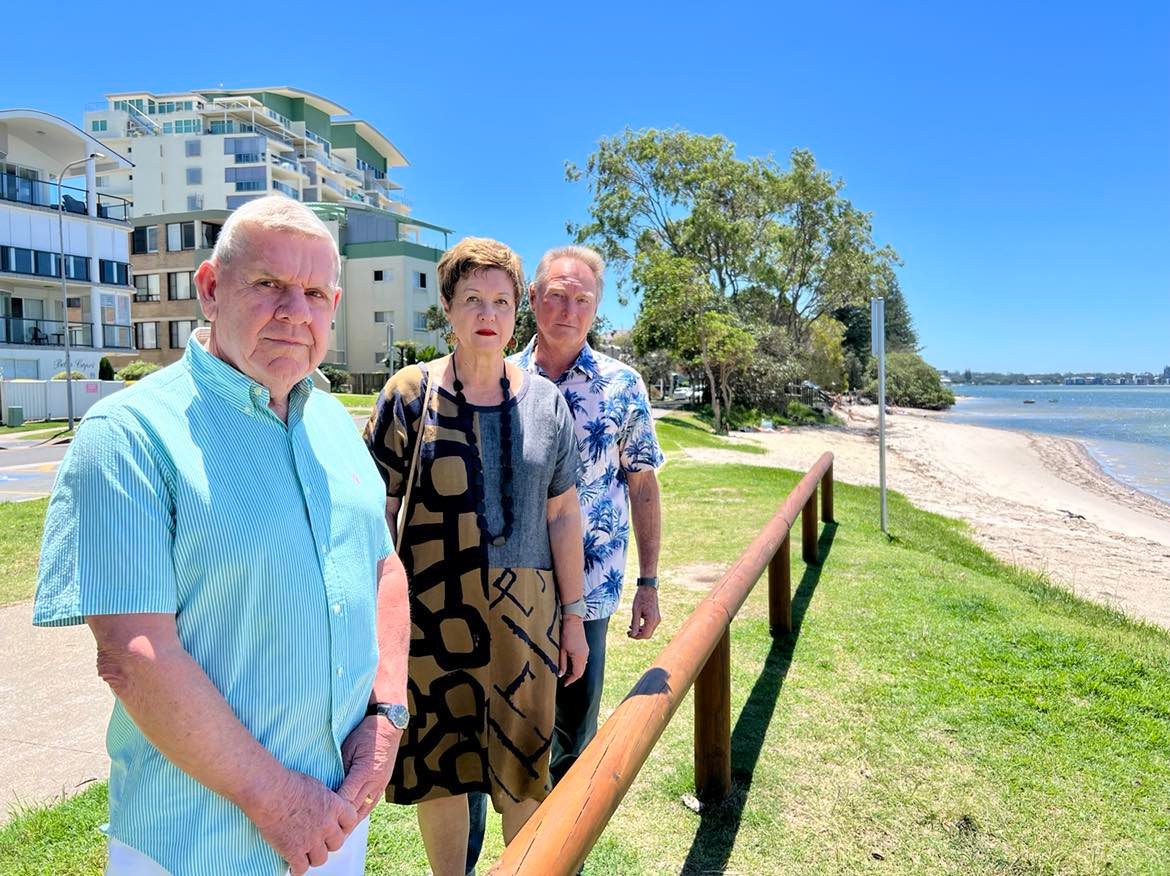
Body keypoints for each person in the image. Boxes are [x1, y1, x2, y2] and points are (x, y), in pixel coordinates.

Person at [33, 195, 409, 876]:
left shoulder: (330, 423)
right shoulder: (128, 436)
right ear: (209, 288)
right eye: (269, 284)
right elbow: (134, 654)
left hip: (333, 825)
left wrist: (386, 714)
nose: (295, 310)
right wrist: (278, 801)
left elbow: (383, 566)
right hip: (200, 846)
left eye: (316, 292)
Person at [363, 237, 589, 876]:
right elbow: (376, 508)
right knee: (443, 767)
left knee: (524, 766)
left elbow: (563, 514)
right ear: (447, 308)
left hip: (529, 613)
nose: (486, 313)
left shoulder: (547, 402)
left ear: (517, 310)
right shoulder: (410, 393)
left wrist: (574, 616)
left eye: (499, 300)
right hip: (434, 607)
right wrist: (377, 615)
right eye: (471, 299)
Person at [465, 244, 665, 873]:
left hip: (593, 593)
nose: (568, 308)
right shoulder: (496, 373)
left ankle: (556, 860)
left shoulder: (621, 386)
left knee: (571, 739)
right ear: (533, 299)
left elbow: (644, 484)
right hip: (501, 591)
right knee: (486, 734)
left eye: (583, 298)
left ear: (597, 307)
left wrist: (651, 583)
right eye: (556, 293)